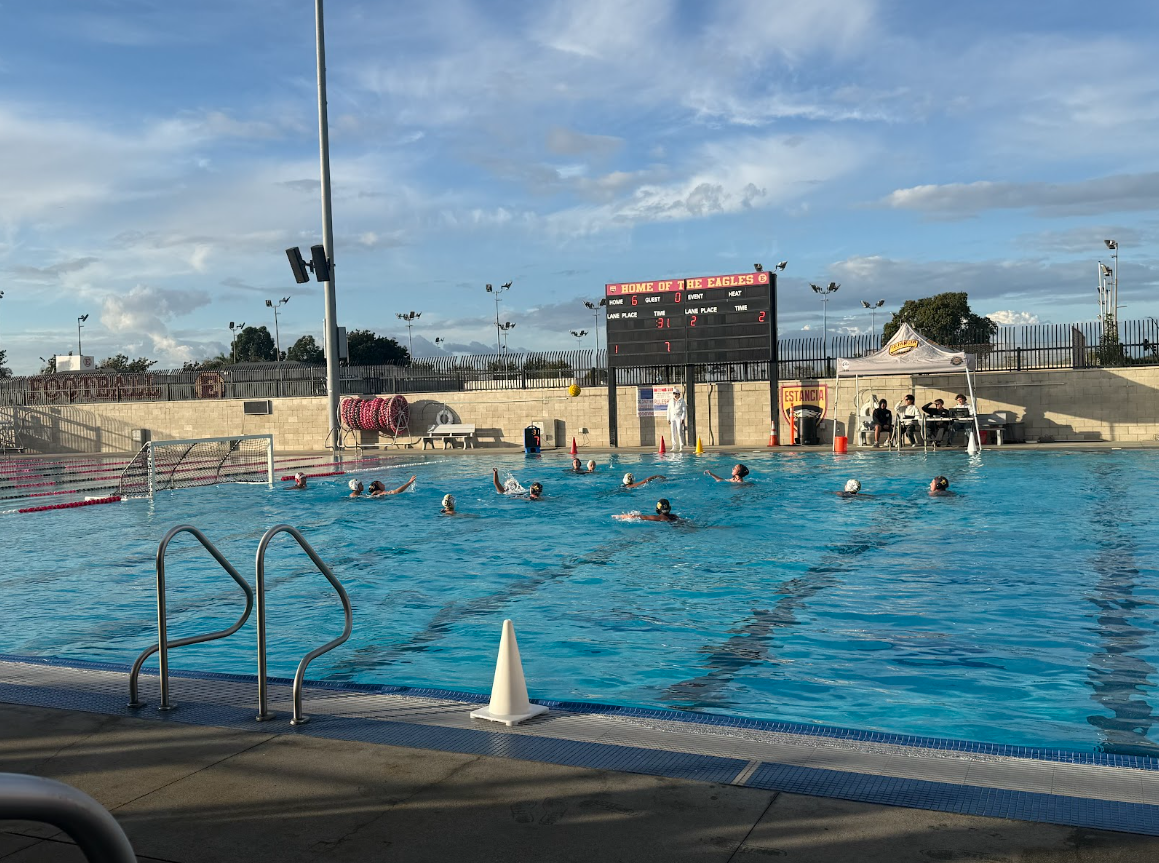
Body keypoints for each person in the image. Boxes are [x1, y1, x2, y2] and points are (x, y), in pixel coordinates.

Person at [615, 498, 679, 522]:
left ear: (658, 509)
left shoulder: (658, 518)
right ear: (669, 508)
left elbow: (636, 517)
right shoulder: (675, 516)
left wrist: (620, 516)